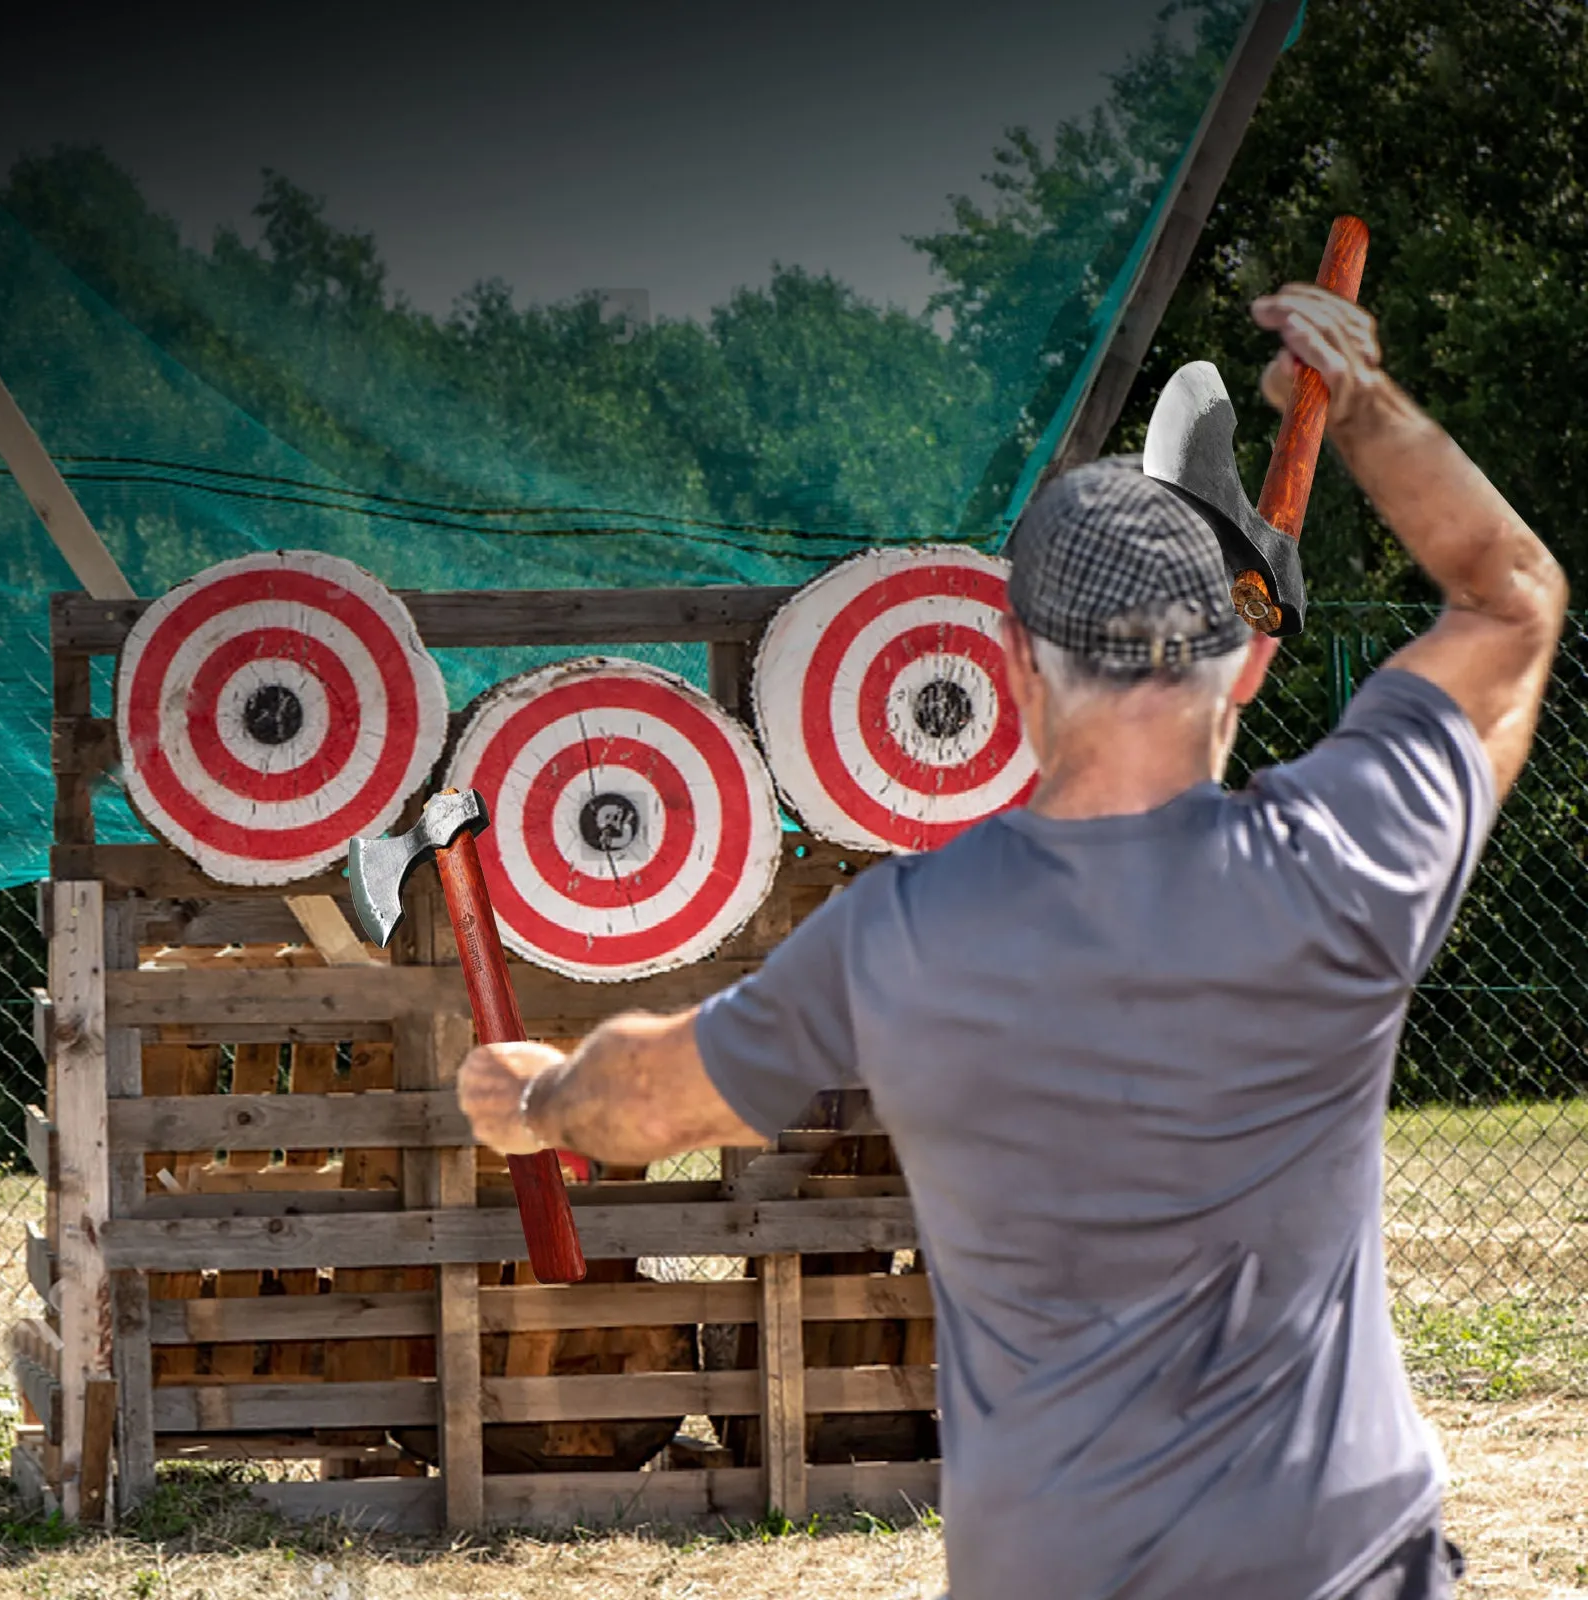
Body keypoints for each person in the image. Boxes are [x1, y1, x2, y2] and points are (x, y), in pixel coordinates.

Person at [457, 283, 1565, 1598]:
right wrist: (1364, 398)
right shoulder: (1342, 861)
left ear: (1018, 661)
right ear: (1240, 656)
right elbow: (1511, 602)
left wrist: (533, 1100)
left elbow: (645, 1096)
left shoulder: (908, 936)